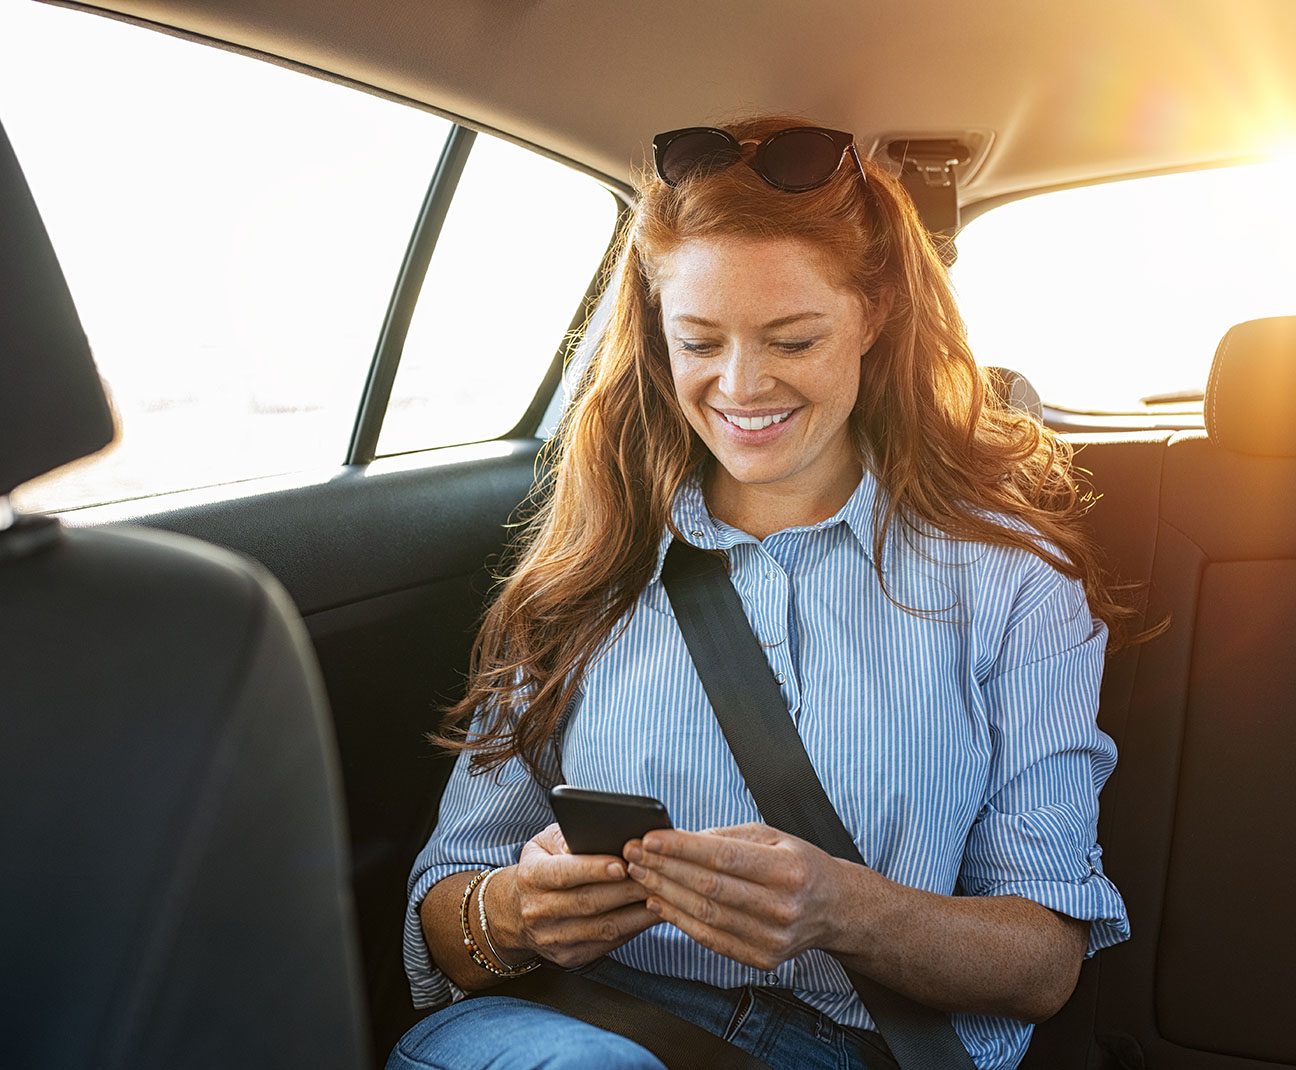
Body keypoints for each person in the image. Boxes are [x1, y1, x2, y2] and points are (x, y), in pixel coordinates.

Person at [388, 116, 1134, 1070]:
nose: (741, 388)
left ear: (875, 315)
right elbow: (446, 912)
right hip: (578, 1022)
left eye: (792, 338)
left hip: (860, 1046)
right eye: (699, 342)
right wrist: (514, 911)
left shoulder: (1013, 584)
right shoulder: (588, 563)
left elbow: (1042, 964)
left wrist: (847, 911)